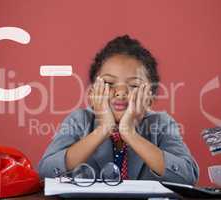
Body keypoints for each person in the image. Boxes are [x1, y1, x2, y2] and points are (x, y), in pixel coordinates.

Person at [38, 35, 199, 185]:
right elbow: (45, 172)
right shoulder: (79, 120)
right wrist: (103, 130)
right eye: (108, 83)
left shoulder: (162, 123)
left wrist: (130, 133)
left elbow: (188, 176)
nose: (121, 92)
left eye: (134, 85)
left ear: (149, 97)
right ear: (93, 92)